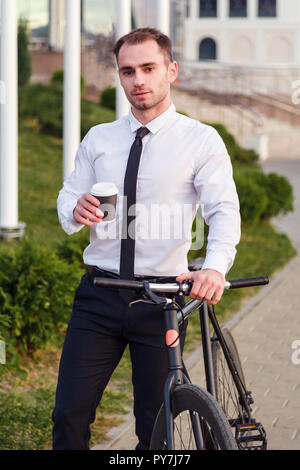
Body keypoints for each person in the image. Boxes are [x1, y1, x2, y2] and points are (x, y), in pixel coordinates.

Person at [52, 27, 241, 450]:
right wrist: (74, 209)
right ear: (119, 76)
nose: (138, 80)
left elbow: (223, 210)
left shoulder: (201, 140)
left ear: (170, 71)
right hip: (99, 294)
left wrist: (214, 267)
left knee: (153, 429)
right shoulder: (100, 138)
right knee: (69, 414)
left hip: (162, 301)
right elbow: (68, 196)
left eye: (149, 68)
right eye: (128, 71)